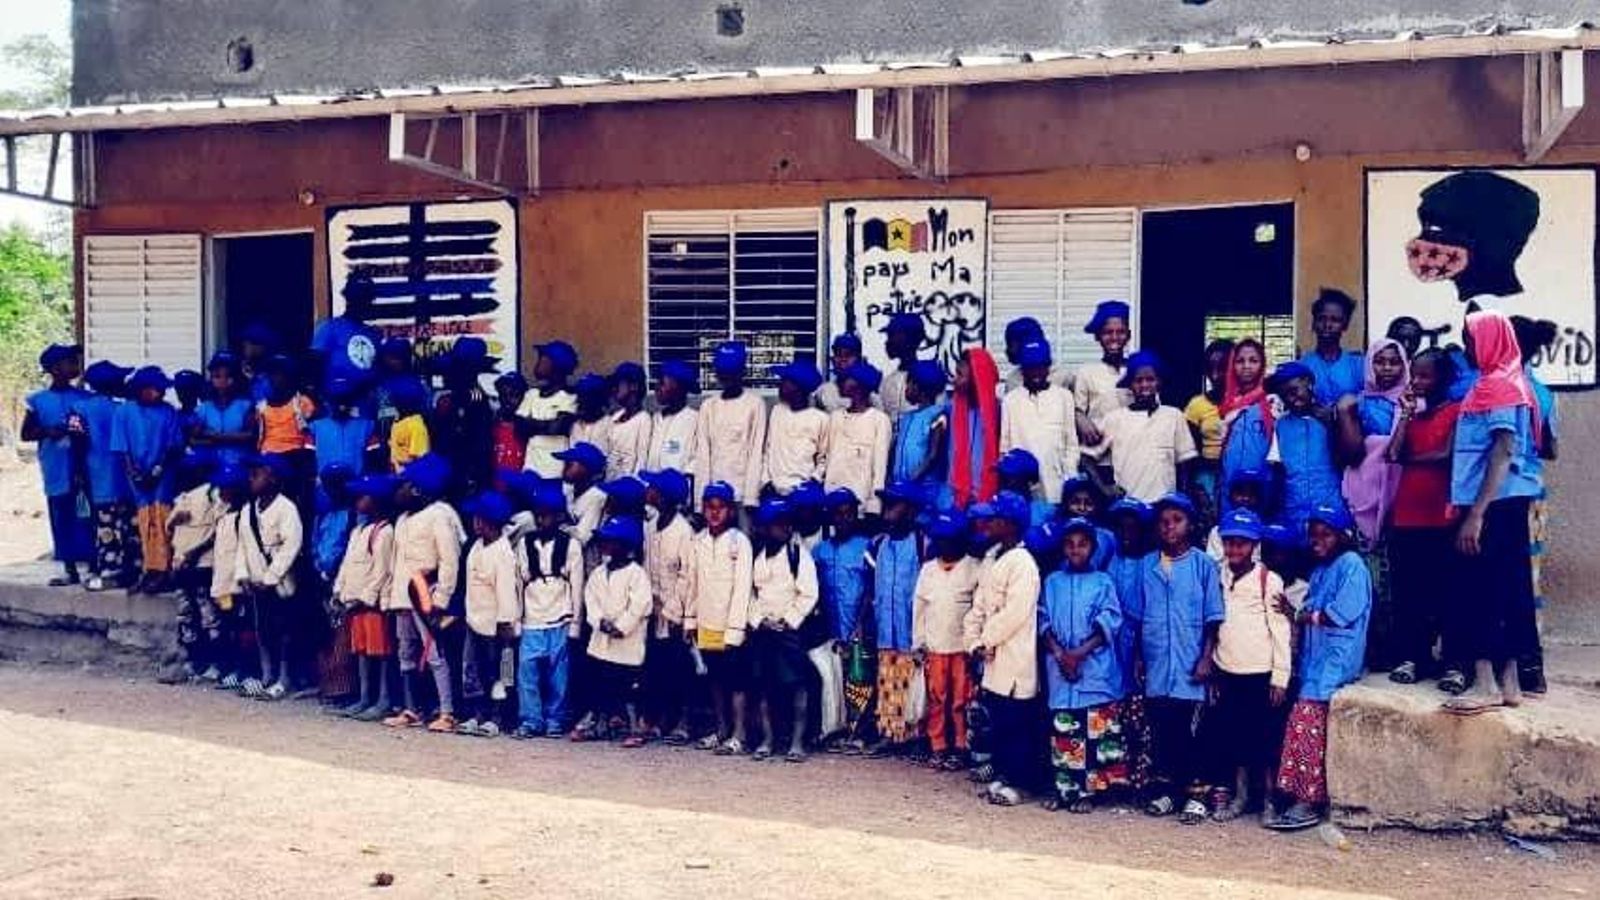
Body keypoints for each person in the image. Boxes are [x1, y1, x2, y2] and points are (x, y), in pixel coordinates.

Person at [1443, 310, 1544, 716]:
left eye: (1471, 339)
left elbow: (1502, 451)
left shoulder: (1499, 386)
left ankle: (1485, 682)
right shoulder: (1504, 381)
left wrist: (1476, 514)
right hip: (1504, 502)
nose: (1467, 348)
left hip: (1493, 504)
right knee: (1506, 588)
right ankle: (1510, 681)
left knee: (1481, 589)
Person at [1269, 504, 1372, 832]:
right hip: (1315, 666)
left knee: (1307, 730)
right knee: (1302, 730)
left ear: (1342, 536)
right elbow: (1307, 611)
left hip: (1334, 664)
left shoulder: (1352, 565)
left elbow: (1339, 613)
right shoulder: (1319, 571)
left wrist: (1302, 615)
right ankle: (1296, 797)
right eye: (1313, 536)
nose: (1317, 541)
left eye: (1325, 535)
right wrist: (1295, 613)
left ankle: (1308, 801)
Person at [1126, 492, 1224, 825]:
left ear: (1190, 525)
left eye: (1177, 521)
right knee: (1163, 729)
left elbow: (1213, 617)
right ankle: (1167, 791)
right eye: (1164, 522)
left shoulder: (1203, 566)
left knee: (1192, 732)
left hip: (1190, 663)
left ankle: (1196, 796)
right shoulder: (1147, 566)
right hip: (1157, 663)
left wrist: (1206, 658)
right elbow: (1138, 617)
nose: (1169, 527)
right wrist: (1139, 656)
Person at [1205, 509, 1292, 824]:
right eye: (1229, 543)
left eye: (1241, 544)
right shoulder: (1218, 575)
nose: (1234, 550)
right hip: (1229, 672)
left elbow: (1280, 631)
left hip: (1261, 675)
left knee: (1265, 740)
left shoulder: (1269, 580)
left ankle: (1269, 801)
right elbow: (1214, 625)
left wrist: (1280, 678)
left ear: (1254, 545)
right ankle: (1241, 796)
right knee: (1236, 737)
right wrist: (1214, 667)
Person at [1039, 517, 1129, 814]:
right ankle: (1066, 790)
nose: (1076, 549)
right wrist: (1060, 653)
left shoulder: (1103, 581)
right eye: (1070, 544)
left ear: (1093, 548)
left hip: (1093, 669)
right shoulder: (1052, 582)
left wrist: (1077, 654)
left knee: (1094, 733)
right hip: (1060, 669)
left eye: (1083, 544)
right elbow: (1043, 620)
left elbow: (1110, 620)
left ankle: (1089, 793)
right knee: (1066, 732)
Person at [1385, 349, 1463, 690]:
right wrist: (1403, 416)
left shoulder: (1456, 413)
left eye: (1424, 376)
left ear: (1442, 379)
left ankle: (1452, 662)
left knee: (1446, 592)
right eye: (1413, 375)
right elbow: (1392, 453)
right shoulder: (1413, 419)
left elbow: (1445, 455)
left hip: (1441, 517)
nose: (1416, 381)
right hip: (1407, 517)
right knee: (1409, 594)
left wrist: (1410, 458)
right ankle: (1413, 656)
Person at [963, 491, 1041, 807]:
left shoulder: (1023, 563)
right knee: (999, 720)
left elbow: (1014, 613)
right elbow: (979, 605)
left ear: (1009, 525)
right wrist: (973, 641)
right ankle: (1005, 775)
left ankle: (1022, 784)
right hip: (992, 657)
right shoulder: (993, 558)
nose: (987, 523)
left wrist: (985, 640)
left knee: (1018, 722)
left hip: (1015, 657)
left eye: (993, 518)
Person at [384, 453, 466, 733]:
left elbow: (449, 560)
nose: (398, 491)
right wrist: (390, 597)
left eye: (403, 485)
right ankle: (412, 708)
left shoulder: (439, 516)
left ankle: (447, 711)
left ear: (418, 489)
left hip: (427, 595)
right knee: (406, 652)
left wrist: (441, 599)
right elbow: (396, 561)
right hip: (402, 597)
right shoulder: (403, 520)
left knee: (435, 653)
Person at [748, 498, 820, 762]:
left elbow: (809, 594)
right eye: (776, 525)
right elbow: (751, 595)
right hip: (763, 631)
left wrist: (788, 620)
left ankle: (797, 742)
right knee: (764, 686)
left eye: (785, 524)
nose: (782, 529)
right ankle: (768, 739)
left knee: (797, 685)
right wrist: (758, 620)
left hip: (789, 631)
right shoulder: (758, 558)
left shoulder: (798, 555)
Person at [511, 479, 583, 739]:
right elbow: (518, 582)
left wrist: (575, 623)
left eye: (548, 516)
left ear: (559, 516)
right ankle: (531, 718)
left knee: (558, 674)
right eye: (539, 516)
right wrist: (516, 619)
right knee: (527, 672)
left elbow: (576, 585)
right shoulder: (525, 543)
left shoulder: (570, 545)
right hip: (532, 617)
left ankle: (556, 718)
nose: (543, 521)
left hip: (560, 616)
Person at [686, 481, 755, 754]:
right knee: (715, 681)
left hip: (731, 625)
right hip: (706, 622)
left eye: (720, 508)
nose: (714, 513)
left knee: (736, 682)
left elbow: (742, 589)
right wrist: (690, 621)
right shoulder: (698, 541)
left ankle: (739, 734)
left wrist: (735, 630)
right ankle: (721, 729)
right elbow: (692, 584)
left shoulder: (740, 543)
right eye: (709, 507)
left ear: (730, 510)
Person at [233, 453, 304, 702]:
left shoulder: (287, 509)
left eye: (258, 472)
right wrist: (243, 576)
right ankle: (266, 674)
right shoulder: (247, 511)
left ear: (273, 478)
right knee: (262, 629)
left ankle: (284, 678)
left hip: (280, 584)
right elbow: (242, 546)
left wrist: (270, 577)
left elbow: (291, 546)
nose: (251, 477)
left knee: (284, 631)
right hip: (254, 584)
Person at [576, 515, 653, 745]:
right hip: (601, 640)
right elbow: (590, 599)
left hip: (627, 642)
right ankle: (597, 723)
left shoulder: (636, 574)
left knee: (628, 688)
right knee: (599, 683)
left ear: (625, 546)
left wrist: (621, 626)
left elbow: (641, 604)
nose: (605, 545)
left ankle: (634, 728)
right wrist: (599, 621)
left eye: (611, 541)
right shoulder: (599, 573)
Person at [914, 510, 979, 771]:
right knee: (937, 698)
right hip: (935, 646)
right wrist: (918, 642)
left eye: (950, 540)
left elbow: (979, 607)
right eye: (939, 540)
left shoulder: (973, 568)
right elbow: (919, 608)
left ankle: (962, 746)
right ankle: (938, 745)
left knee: (961, 700)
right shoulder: (928, 570)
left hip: (962, 648)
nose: (944, 545)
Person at [23, 344, 92, 587]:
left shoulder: (84, 398)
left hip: (84, 467)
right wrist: (47, 431)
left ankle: (91, 564)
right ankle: (69, 567)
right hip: (55, 468)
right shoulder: (38, 401)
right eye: (69, 362)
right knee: (61, 515)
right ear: (54, 369)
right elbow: (26, 433)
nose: (75, 366)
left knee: (85, 515)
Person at [113, 365, 185, 595]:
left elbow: (174, 446)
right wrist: (134, 472)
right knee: (146, 521)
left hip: (163, 473)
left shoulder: (168, 412)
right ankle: (151, 568)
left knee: (163, 518)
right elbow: (122, 448)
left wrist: (157, 469)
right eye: (157, 389)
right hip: (137, 474)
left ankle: (164, 570)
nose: (161, 394)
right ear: (142, 389)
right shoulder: (124, 412)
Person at [865, 481, 925, 757]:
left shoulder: (923, 543)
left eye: (894, 505)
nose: (887, 511)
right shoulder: (878, 544)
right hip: (886, 629)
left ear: (911, 511)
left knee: (916, 684)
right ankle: (890, 734)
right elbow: (869, 587)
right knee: (888, 682)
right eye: (886, 504)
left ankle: (916, 737)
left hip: (913, 631)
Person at [333, 475, 398, 721]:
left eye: (363, 496)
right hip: (354, 604)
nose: (358, 500)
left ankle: (382, 698)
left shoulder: (384, 532)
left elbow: (382, 571)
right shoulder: (358, 531)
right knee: (360, 651)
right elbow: (347, 565)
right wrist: (339, 592)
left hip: (371, 605)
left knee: (379, 653)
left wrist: (364, 598)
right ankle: (364, 696)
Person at [813, 487, 873, 750]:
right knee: (835, 680)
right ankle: (837, 730)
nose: (843, 519)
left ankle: (858, 732)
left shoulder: (866, 546)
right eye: (838, 514)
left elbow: (871, 587)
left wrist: (861, 622)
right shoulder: (820, 550)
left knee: (859, 679)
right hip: (831, 628)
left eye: (848, 514)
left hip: (857, 626)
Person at [458, 491, 521, 738]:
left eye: (477, 518)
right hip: (474, 620)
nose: (474, 523)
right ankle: (476, 714)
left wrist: (506, 624)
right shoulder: (475, 548)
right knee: (472, 670)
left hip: (497, 625)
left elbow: (506, 591)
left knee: (500, 672)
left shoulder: (503, 553)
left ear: (487, 522)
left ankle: (497, 717)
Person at [641, 469, 697, 743]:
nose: (648, 491)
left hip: (677, 611)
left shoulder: (684, 531)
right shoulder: (650, 528)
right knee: (658, 666)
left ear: (664, 497)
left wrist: (675, 611)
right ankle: (660, 718)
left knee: (681, 668)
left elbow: (687, 575)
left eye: (653, 488)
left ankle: (684, 721)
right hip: (653, 610)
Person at [1099, 350, 1198, 503]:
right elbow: (1088, 457)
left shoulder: (1173, 416)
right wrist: (1106, 487)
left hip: (1164, 505)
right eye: (1138, 380)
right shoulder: (1114, 419)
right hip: (1128, 506)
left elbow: (1184, 463)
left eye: (1150, 379)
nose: (1145, 385)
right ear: (1130, 384)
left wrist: (1182, 500)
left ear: (1159, 382)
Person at [1337, 338, 1409, 547]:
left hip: (1401, 490)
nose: (1387, 368)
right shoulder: (1358, 404)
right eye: (1379, 362)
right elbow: (1353, 454)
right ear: (1369, 365)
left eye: (1394, 362)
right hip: (1364, 488)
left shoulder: (1415, 403)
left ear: (1404, 366)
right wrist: (1344, 413)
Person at [78, 360, 137, 592]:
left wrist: (78, 473)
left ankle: (109, 571)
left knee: (105, 529)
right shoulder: (124, 409)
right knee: (127, 527)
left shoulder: (79, 409)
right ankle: (131, 568)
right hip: (127, 480)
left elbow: (77, 442)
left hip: (97, 477)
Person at [1266, 362, 1344, 535]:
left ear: (1308, 383)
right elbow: (1278, 471)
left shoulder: (1331, 417)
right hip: (1293, 514)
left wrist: (1330, 425)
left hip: (1330, 509)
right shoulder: (1280, 426)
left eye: (1294, 391)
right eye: (1285, 395)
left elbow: (1345, 459)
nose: (1292, 399)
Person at [168, 455, 227, 679]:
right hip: (182, 565)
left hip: (202, 565)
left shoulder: (213, 495)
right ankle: (194, 661)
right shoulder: (183, 497)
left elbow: (217, 532)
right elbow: (171, 528)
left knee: (208, 616)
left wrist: (194, 553)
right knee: (186, 617)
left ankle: (216, 663)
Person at [1001, 338, 1078, 506]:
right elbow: (1005, 447)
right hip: (1023, 487)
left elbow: (1071, 444)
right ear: (1022, 370)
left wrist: (1069, 478)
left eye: (1040, 366)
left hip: (1056, 487)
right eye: (1030, 367)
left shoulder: (1064, 397)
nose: (1036, 372)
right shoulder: (1011, 400)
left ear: (1048, 367)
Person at [694, 342, 768, 511]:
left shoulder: (754, 405)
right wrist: (700, 502)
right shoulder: (709, 406)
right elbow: (704, 455)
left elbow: (756, 452)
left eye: (731, 372)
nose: (726, 378)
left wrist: (750, 498)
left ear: (742, 372)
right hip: (713, 497)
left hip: (741, 496)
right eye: (723, 372)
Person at [429, 338, 498, 498]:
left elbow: (478, 444)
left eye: (455, 369)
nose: (448, 376)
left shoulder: (476, 398)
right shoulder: (451, 397)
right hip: (449, 470)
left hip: (468, 473)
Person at [823, 361, 893, 517]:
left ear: (860, 386)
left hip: (860, 505)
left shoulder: (879, 420)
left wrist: (873, 506)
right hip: (832, 500)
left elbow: (879, 467)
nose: (840, 382)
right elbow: (828, 456)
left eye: (846, 379)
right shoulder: (836, 417)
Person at [1073, 300, 1134, 468]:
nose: (1114, 338)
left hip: (1132, 457)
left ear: (1128, 335)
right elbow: (1077, 410)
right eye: (1108, 333)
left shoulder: (1138, 372)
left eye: (1120, 332)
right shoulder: (1087, 372)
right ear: (1098, 337)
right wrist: (1080, 418)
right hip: (1098, 461)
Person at [1218, 338, 1275, 510]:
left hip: (1262, 481)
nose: (1246, 366)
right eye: (1240, 361)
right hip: (1231, 482)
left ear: (1262, 364)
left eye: (1253, 361)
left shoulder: (1272, 402)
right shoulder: (1228, 404)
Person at [207, 465, 249, 689]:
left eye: (226, 488)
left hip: (236, 585)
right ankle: (230, 668)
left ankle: (244, 670)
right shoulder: (224, 516)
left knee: (240, 629)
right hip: (222, 585)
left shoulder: (242, 517)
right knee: (227, 628)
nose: (221, 492)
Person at [763, 358, 829, 496]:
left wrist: (813, 481)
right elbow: (768, 450)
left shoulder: (820, 419)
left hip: (803, 493)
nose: (780, 385)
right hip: (774, 489)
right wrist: (766, 481)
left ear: (799, 387)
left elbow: (824, 458)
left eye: (785, 381)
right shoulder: (777, 411)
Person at [254, 355, 317, 501]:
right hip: (268, 454)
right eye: (272, 375)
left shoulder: (301, 403)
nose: (275, 379)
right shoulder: (261, 406)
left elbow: (311, 431)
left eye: (279, 374)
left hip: (295, 454)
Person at [946, 347, 1001, 510]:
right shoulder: (951, 410)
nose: (954, 380)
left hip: (988, 498)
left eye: (960, 374)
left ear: (978, 377)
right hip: (956, 497)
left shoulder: (999, 411)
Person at [1184, 339, 1234, 516]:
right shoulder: (1196, 406)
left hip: (1236, 478)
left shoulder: (1245, 404)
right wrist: (1193, 489)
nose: (1215, 375)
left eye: (1222, 368)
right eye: (1210, 369)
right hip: (1206, 479)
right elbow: (1190, 455)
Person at [310, 275, 382, 394]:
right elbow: (313, 364)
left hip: (365, 403)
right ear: (348, 299)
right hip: (334, 402)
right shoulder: (329, 327)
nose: (362, 302)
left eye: (366, 298)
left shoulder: (372, 334)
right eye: (357, 298)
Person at [517, 340, 579, 478]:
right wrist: (546, 424)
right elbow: (520, 429)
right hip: (530, 472)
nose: (539, 362)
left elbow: (556, 428)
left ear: (558, 366)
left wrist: (532, 424)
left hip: (555, 474)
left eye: (544, 358)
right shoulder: (531, 394)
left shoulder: (569, 397)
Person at [890, 360, 949, 503]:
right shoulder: (907, 417)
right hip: (902, 486)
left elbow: (932, 455)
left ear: (921, 389)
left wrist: (913, 479)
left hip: (922, 489)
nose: (906, 388)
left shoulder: (937, 415)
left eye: (909, 383)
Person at [192, 351, 257, 472]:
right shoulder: (204, 408)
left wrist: (217, 437)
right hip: (211, 467)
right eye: (216, 376)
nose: (223, 380)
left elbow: (251, 435)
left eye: (229, 376)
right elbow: (194, 438)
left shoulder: (245, 406)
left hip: (239, 465)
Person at [1299, 288, 1365, 407]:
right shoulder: (1303, 365)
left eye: (1335, 320)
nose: (1327, 325)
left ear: (1345, 325)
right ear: (1314, 323)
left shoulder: (1358, 365)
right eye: (1322, 318)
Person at [308, 377, 380, 477]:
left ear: (351, 400)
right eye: (336, 399)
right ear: (328, 400)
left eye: (345, 398)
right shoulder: (315, 427)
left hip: (356, 486)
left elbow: (374, 461)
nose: (341, 404)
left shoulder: (367, 426)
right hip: (325, 487)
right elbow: (308, 460)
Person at [555, 441, 609, 562]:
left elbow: (582, 536)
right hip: (572, 558)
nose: (565, 466)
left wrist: (559, 527)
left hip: (591, 560)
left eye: (571, 463)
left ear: (586, 469)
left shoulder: (597, 496)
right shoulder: (570, 490)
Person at [645, 360, 698, 477]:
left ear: (678, 387)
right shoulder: (655, 418)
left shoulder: (695, 421)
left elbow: (695, 464)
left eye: (662, 383)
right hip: (649, 488)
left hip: (676, 491)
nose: (657, 388)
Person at [605, 362, 652, 477]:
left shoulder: (644, 420)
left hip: (629, 488)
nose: (614, 388)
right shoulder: (615, 418)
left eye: (618, 384)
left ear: (633, 386)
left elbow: (642, 461)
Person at [878, 312, 925, 423]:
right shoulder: (887, 382)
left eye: (892, 336)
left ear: (910, 338)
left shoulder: (928, 379)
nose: (888, 342)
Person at [369, 337, 414, 450]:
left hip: (408, 447)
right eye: (390, 356)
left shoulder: (417, 386)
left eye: (396, 357)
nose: (392, 361)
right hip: (381, 445)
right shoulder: (376, 385)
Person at [490, 371, 531, 487]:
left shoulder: (529, 428)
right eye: (504, 395)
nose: (508, 400)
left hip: (519, 491)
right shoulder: (490, 425)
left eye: (514, 395)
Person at [386, 375, 431, 474]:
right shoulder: (398, 421)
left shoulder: (416, 425)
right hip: (396, 476)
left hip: (408, 479)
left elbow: (420, 460)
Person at [817, 333, 864, 413]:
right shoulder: (826, 390)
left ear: (859, 360)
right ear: (832, 360)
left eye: (848, 355)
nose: (842, 360)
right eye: (838, 355)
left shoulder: (869, 393)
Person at [568, 373, 613, 455]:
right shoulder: (576, 425)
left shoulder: (611, 426)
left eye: (585, 398)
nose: (579, 402)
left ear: (599, 400)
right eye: (579, 397)